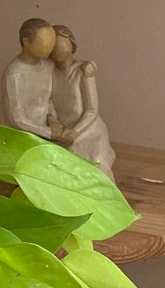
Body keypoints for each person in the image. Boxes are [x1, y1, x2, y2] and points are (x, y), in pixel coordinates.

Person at [49, 24, 116, 177]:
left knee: (94, 166)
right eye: (54, 44)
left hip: (87, 130)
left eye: (61, 42)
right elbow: (49, 103)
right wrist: (53, 121)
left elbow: (92, 110)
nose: (58, 48)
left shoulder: (83, 70)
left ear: (72, 43)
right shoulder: (50, 73)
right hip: (62, 132)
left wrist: (75, 131)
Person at [0, 18, 57, 138]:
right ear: (27, 42)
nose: (50, 48)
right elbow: (16, 118)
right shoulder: (15, 74)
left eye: (52, 42)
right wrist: (48, 132)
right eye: (44, 43)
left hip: (41, 136)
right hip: (18, 136)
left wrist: (53, 120)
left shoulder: (48, 66)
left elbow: (48, 101)